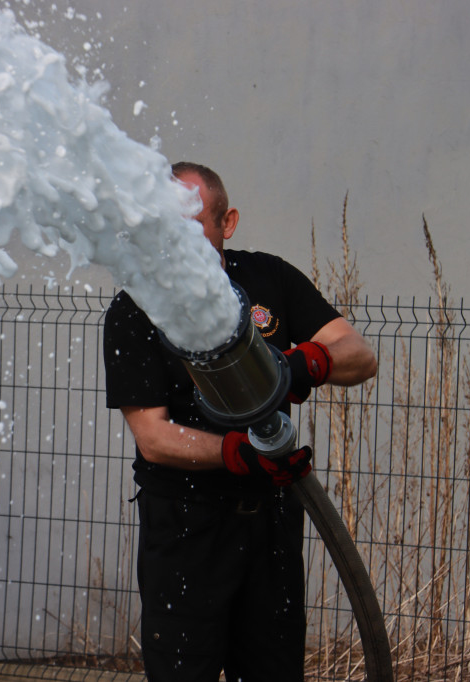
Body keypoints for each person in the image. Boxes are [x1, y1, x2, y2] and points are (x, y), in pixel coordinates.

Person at [103, 162, 378, 682]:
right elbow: (154, 438)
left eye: (193, 226)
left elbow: (360, 356)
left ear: (227, 222)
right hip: (186, 529)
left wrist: (311, 362)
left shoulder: (268, 278)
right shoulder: (134, 309)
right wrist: (235, 453)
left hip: (270, 523)